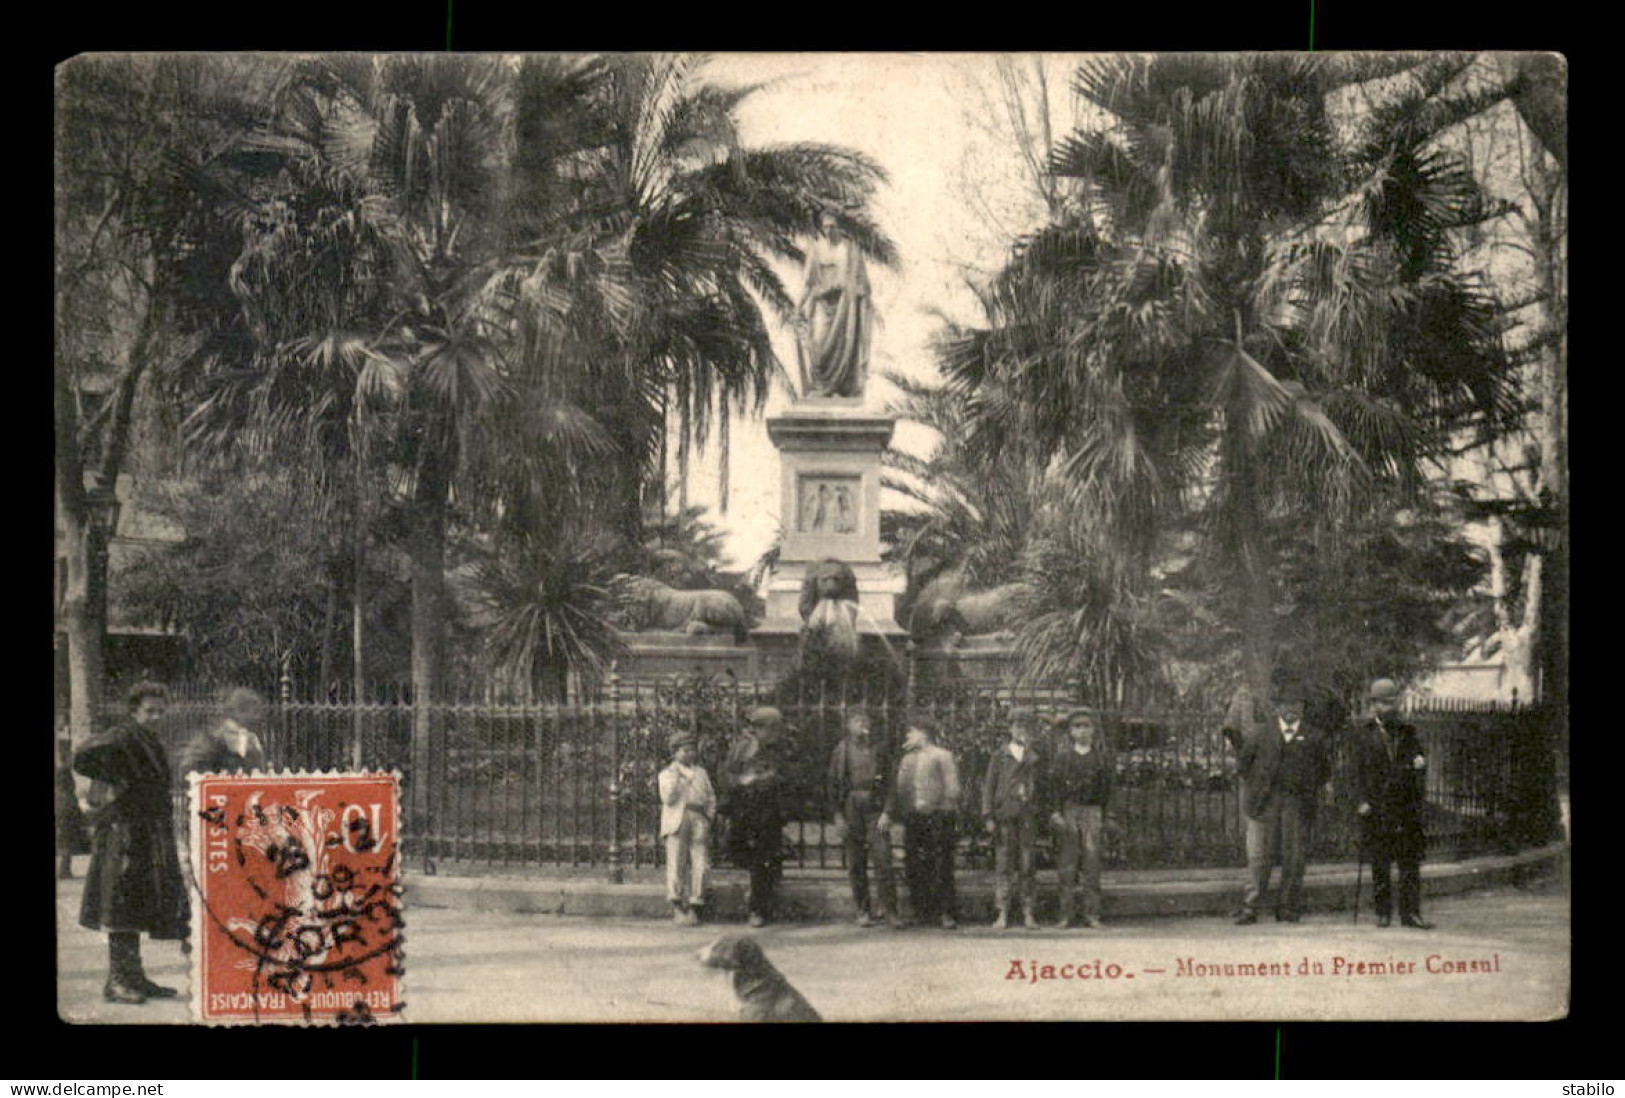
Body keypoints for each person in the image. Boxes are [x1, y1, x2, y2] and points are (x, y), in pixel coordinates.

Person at [74, 681, 189, 1005]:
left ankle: (134, 976)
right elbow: (83, 755)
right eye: (149, 711)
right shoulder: (124, 735)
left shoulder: (147, 739)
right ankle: (117, 981)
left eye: (160, 711)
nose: (155, 716)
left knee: (136, 903)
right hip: (123, 834)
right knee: (120, 906)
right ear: (134, 711)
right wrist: (114, 782)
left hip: (143, 834)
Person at [1233, 686, 1331, 925]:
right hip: (1265, 803)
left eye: (1297, 704)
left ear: (1303, 707)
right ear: (1276, 707)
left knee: (1294, 856)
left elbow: (1323, 772)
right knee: (1259, 857)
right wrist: (1259, 790)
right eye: (1286, 704)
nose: (1291, 710)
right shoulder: (1260, 734)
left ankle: (1288, 907)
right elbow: (1243, 767)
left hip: (1297, 803)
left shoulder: (1315, 737)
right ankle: (1251, 906)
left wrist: (1304, 789)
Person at [1354, 678, 1433, 930]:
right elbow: (1354, 773)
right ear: (1373, 704)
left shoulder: (1408, 732)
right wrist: (1360, 801)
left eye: (1389, 702)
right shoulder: (1364, 734)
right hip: (1377, 807)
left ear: (1396, 703)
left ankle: (1411, 914)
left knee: (1410, 863)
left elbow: (1419, 761)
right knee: (1381, 861)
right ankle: (1383, 912)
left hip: (1405, 807)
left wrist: (1420, 764)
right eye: (1379, 703)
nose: (1385, 708)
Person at [879, 713, 961, 929]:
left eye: (912, 732)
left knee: (941, 864)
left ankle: (946, 912)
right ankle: (922, 910)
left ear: (923, 733)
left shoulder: (942, 755)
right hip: (913, 818)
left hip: (938, 817)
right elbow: (900, 787)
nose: (908, 735)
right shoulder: (907, 758)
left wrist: (937, 807)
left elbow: (953, 789)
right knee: (914, 863)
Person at [828, 708, 897, 927]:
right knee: (856, 862)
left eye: (865, 721)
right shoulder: (842, 750)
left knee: (883, 859)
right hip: (851, 806)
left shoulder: (880, 749)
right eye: (857, 721)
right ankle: (863, 910)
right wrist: (838, 816)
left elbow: (891, 784)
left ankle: (891, 911)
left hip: (875, 807)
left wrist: (887, 811)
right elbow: (832, 785)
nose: (862, 725)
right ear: (848, 726)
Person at [795, 208, 874, 399]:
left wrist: (854, 290)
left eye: (832, 227)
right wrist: (799, 305)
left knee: (845, 348)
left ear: (839, 227)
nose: (829, 231)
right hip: (822, 304)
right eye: (825, 228)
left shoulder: (851, 250)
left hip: (845, 309)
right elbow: (808, 283)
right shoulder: (816, 251)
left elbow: (863, 283)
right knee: (819, 348)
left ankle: (842, 388)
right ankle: (820, 387)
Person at [723, 707, 790, 927]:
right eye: (772, 728)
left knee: (764, 859)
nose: (776, 733)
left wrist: (769, 778)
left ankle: (758, 909)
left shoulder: (779, 749)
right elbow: (728, 775)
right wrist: (744, 781)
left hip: (769, 811)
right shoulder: (741, 749)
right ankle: (757, 899)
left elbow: (785, 776)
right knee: (740, 852)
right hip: (745, 809)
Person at [1046, 709, 1113, 929]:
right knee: (1067, 864)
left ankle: (1092, 913)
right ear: (1071, 731)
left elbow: (1109, 789)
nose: (1082, 731)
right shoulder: (1063, 757)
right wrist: (1056, 812)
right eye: (1077, 727)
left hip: (1093, 812)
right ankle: (1065, 914)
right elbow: (1054, 787)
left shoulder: (1101, 757)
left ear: (1093, 730)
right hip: (1070, 811)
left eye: (1086, 726)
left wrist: (1107, 815)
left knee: (1092, 864)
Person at [982, 707, 1043, 930]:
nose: (1022, 731)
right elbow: (988, 786)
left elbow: (1041, 787)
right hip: (1005, 816)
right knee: (1004, 864)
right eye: (1018, 726)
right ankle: (1003, 912)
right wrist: (988, 815)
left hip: (1027, 817)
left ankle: (1028, 912)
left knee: (1027, 864)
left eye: (1026, 727)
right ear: (1010, 729)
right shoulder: (1000, 756)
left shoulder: (1034, 757)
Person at [659, 731, 716, 925]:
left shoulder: (701, 772)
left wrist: (709, 816)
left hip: (699, 817)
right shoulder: (667, 774)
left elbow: (710, 796)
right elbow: (669, 798)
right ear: (675, 752)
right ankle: (677, 905)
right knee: (677, 861)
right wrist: (677, 776)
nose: (689, 754)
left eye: (692, 750)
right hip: (678, 818)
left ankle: (696, 904)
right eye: (684, 750)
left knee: (701, 861)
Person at [177, 687, 269, 776]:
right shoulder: (212, 739)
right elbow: (189, 770)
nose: (259, 717)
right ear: (239, 711)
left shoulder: (250, 738)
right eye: (255, 711)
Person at [55, 712, 89, 880]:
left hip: (64, 807)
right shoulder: (63, 774)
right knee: (66, 842)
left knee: (64, 841)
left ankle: (64, 869)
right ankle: (64, 870)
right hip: (66, 807)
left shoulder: (61, 774)